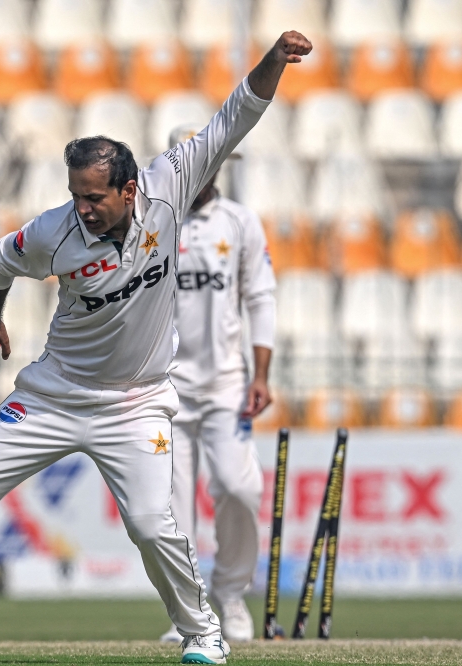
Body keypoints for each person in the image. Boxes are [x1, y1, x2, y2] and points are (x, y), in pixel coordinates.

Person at [0, 32, 312, 665]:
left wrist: (272, 60)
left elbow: (236, 114)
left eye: (94, 196)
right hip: (52, 396)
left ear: (130, 190)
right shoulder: (54, 231)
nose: (83, 208)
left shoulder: (172, 187)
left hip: (136, 404)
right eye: (75, 194)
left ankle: (203, 632)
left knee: (153, 526)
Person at [158, 125, 276, 645]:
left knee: (239, 487)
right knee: (170, 511)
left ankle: (230, 595)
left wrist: (263, 373)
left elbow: (261, 297)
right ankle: (187, 614)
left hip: (227, 386)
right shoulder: (155, 222)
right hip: (164, 390)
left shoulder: (240, 221)